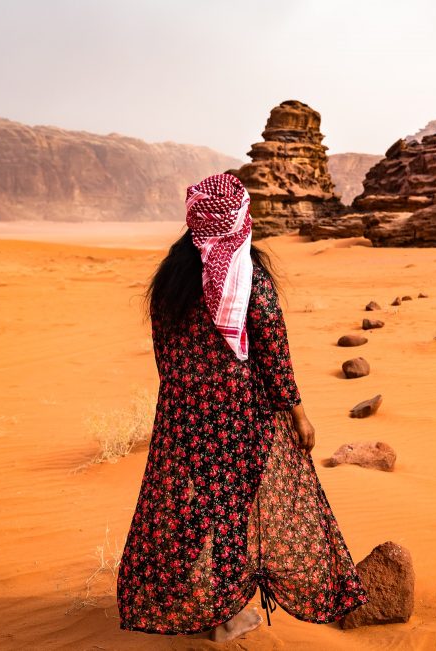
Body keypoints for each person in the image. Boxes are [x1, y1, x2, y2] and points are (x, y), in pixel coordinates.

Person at [116, 173, 369, 642]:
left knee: (195, 509)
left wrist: (183, 404)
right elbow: (272, 348)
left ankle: (196, 604)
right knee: (232, 510)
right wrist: (297, 413)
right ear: (239, 216)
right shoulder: (244, 275)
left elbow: (165, 355)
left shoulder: (171, 279)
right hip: (240, 416)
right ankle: (223, 616)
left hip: (183, 416)